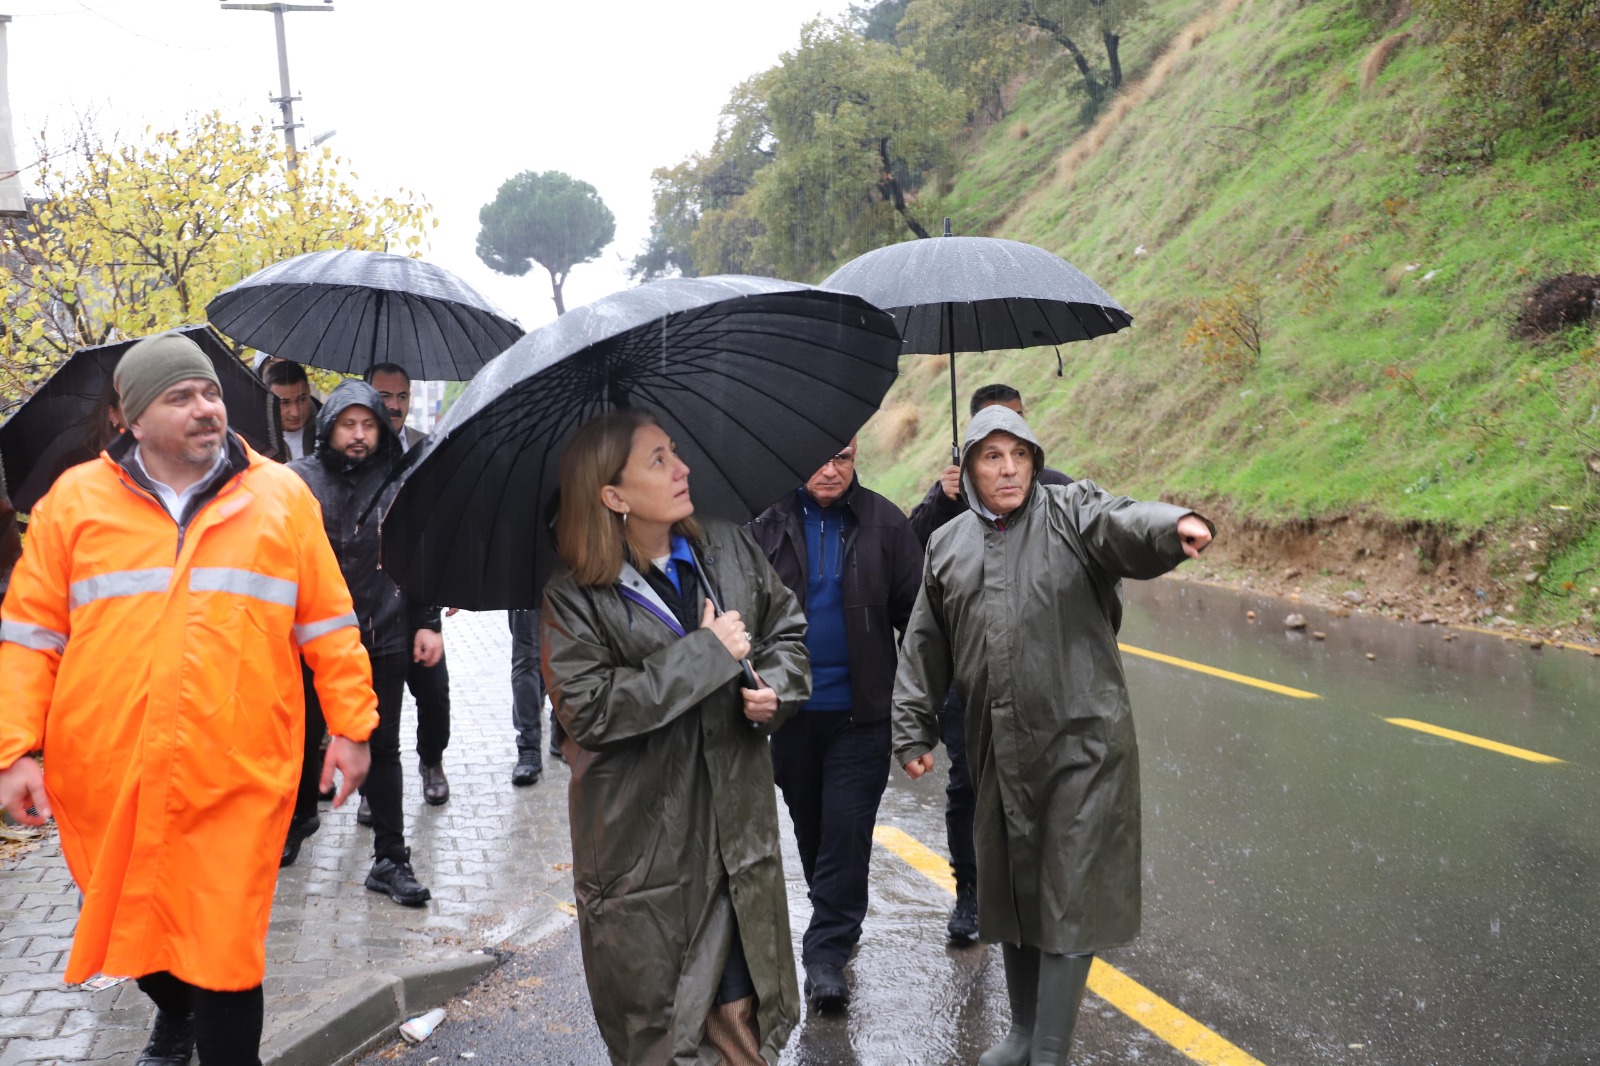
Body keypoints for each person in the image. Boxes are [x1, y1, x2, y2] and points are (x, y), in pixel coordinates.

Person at [0, 332, 377, 1066]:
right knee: (131, 923)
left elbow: (329, 621)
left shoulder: (279, 497)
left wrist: (352, 725)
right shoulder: (73, 505)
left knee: (225, 948)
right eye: (181, 397)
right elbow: (29, 636)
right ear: (132, 419)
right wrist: (15, 749)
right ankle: (175, 1016)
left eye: (208, 392)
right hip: (107, 771)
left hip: (237, 769)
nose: (206, 408)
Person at [892, 405, 1214, 1066]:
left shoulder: (1071, 513)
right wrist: (911, 729)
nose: (1008, 469)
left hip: (1082, 745)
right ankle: (1022, 1030)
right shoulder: (946, 546)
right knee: (1015, 887)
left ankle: (1049, 1049)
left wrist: (1170, 525)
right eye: (992, 456)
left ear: (1035, 459)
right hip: (996, 743)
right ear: (969, 470)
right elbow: (925, 645)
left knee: (1067, 891)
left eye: (1019, 454)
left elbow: (1123, 520)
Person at [541, 409, 808, 1064]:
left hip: (735, 844)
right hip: (647, 866)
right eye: (658, 460)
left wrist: (775, 691)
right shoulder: (573, 595)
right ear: (613, 495)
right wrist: (706, 654)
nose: (682, 468)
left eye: (675, 451)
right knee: (665, 1037)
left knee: (743, 1027)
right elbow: (590, 710)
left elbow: (787, 634)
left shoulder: (726, 547)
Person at [745, 437, 922, 1012]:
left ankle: (825, 953)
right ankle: (836, 916)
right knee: (814, 830)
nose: (828, 468)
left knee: (847, 833)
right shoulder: (764, 525)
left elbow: (917, 627)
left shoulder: (887, 526)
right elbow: (736, 616)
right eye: (818, 456)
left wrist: (920, 718)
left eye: (841, 457)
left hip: (861, 714)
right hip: (789, 716)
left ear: (856, 458)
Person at [907, 382, 1076, 944]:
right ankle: (972, 893)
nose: (1008, 460)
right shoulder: (950, 502)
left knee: (1052, 791)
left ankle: (1047, 897)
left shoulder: (1058, 492)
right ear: (971, 443)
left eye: (1019, 433)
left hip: (1045, 682)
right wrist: (941, 498)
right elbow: (914, 573)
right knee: (971, 791)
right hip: (969, 681)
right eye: (992, 441)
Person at [286, 380, 442, 906]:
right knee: (301, 738)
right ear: (328, 426)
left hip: (383, 633)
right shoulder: (296, 482)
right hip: (309, 642)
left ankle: (390, 859)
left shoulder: (401, 482)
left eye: (368, 424)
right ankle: (295, 821)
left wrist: (427, 623)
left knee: (383, 748)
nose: (358, 435)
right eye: (348, 424)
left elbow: (419, 556)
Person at [365, 362, 452, 804]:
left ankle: (431, 759)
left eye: (402, 396)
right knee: (377, 698)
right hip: (371, 597)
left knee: (432, 690)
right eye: (385, 396)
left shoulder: (425, 447)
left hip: (419, 593)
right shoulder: (355, 450)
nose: (395, 405)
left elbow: (443, 519)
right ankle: (374, 786)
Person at [264, 360, 317, 462]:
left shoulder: (330, 431)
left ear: (309, 391)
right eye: (284, 403)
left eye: (302, 400)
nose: (295, 412)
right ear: (268, 399)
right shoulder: (254, 440)